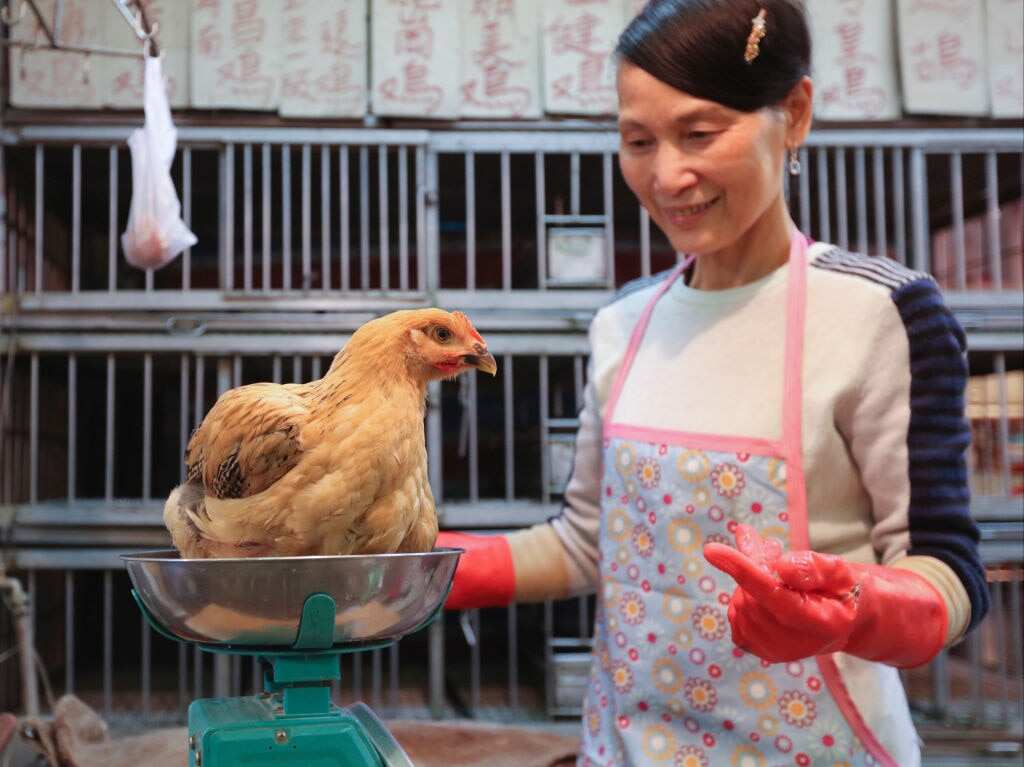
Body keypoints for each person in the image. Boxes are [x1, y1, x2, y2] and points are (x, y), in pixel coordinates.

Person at [437, 1, 988, 764]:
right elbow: (589, 541)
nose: (667, 175)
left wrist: (852, 609)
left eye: (699, 133)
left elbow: (945, 571)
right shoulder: (624, 324)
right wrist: (424, 571)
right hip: (626, 745)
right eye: (638, 141)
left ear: (793, 113)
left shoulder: (881, 313)